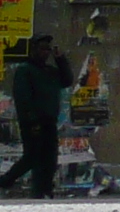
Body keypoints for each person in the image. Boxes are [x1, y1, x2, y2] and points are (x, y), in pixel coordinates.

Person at [2, 40, 71, 199]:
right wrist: (31, 120)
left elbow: (67, 80)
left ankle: (44, 189)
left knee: (49, 158)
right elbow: (23, 98)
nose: (45, 53)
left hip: (49, 120)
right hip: (33, 121)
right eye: (42, 49)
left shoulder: (50, 71)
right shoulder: (25, 70)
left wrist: (60, 59)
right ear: (33, 50)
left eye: (47, 50)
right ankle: (12, 183)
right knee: (34, 156)